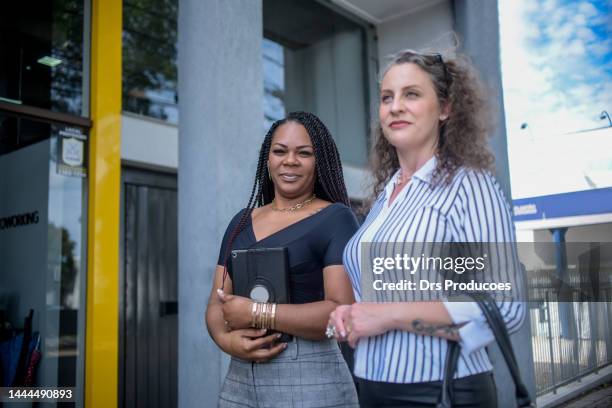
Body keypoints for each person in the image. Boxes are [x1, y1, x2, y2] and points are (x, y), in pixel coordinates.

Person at [328, 49, 526, 407]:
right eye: (387, 97)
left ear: (446, 109)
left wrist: (387, 316)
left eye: (412, 94)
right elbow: (376, 298)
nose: (395, 106)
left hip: (441, 391)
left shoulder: (469, 185)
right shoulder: (384, 200)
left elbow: (506, 305)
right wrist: (353, 313)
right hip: (371, 387)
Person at [206, 111, 360, 408]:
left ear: (320, 162)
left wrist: (256, 313)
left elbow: (342, 311)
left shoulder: (336, 218)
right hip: (239, 376)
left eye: (304, 153)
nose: (290, 161)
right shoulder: (240, 222)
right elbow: (216, 301)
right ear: (268, 159)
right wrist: (226, 341)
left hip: (309, 374)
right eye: (280, 151)